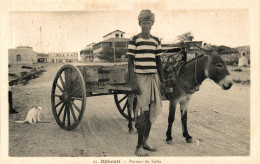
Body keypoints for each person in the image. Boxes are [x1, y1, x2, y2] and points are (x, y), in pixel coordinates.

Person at [127, 10, 165, 156]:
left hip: (153, 78)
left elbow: (159, 62)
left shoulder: (156, 41)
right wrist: (133, 82)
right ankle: (138, 147)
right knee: (144, 112)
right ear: (140, 23)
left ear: (152, 24)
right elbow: (130, 62)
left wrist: (162, 81)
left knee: (152, 110)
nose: (146, 25)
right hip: (140, 78)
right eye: (144, 22)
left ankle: (145, 142)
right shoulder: (134, 39)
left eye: (149, 22)